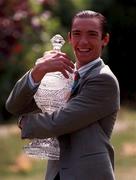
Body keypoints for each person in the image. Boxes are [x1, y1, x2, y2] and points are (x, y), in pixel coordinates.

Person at [6, 10, 120, 180]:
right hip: (56, 174)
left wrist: (24, 122)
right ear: (69, 37)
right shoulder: (59, 76)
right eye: (77, 34)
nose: (83, 41)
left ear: (105, 39)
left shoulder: (103, 79)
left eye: (92, 34)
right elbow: (14, 106)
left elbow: (59, 122)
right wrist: (37, 71)